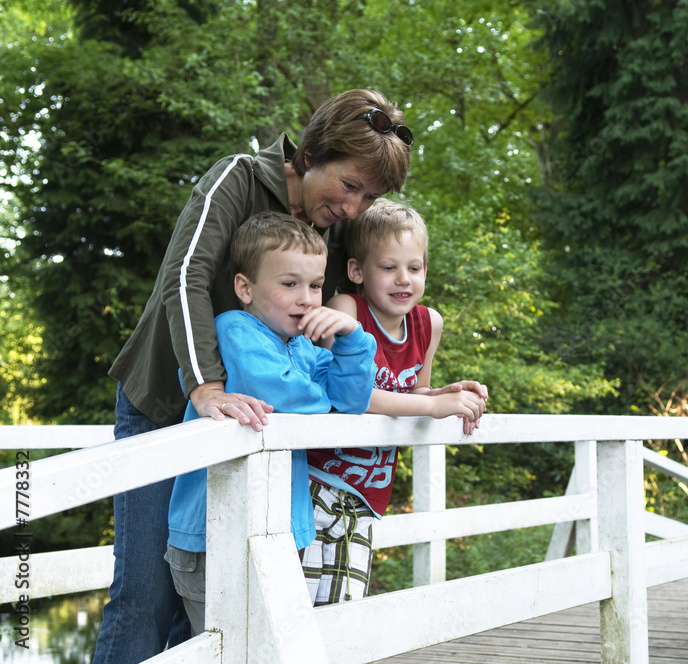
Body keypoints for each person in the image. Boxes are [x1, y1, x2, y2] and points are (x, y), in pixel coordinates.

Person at [95, 89, 411, 663]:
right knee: (146, 596)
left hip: (249, 432)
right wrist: (206, 387)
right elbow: (186, 275)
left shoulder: (334, 227)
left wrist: (423, 389)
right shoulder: (236, 178)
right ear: (311, 153)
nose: (356, 207)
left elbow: (350, 317)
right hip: (168, 403)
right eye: (350, 186)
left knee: (212, 610)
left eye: (371, 196)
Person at [165, 211, 377, 633]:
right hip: (214, 537)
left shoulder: (303, 347)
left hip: (279, 532)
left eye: (316, 286)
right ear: (244, 287)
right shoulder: (234, 329)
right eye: (289, 284)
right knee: (226, 650)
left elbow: (352, 400)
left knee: (270, 646)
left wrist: (353, 337)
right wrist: (326, 397)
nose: (307, 298)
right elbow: (285, 396)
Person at [302, 199, 489, 605]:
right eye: (388, 268)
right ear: (356, 271)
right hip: (315, 483)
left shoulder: (428, 324)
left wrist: (442, 395)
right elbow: (349, 396)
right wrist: (431, 407)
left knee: (344, 607)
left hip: (370, 494)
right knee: (296, 603)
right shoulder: (346, 311)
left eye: (415, 267)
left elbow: (414, 392)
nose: (403, 279)